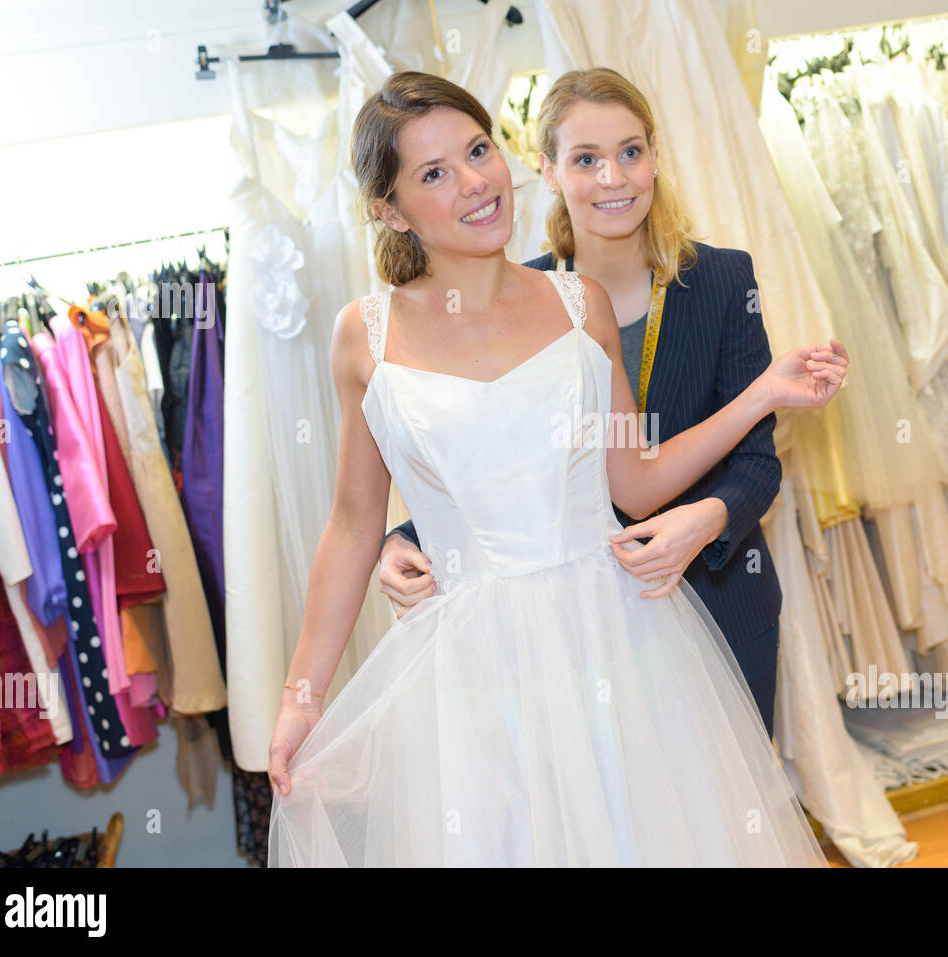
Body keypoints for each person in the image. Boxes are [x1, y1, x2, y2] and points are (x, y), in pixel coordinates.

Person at [267, 71, 847, 866]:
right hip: (475, 674)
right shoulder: (362, 337)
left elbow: (634, 483)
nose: (474, 182)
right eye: (434, 173)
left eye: (477, 151)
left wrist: (761, 396)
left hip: (619, 641)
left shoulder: (579, 305)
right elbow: (353, 523)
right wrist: (301, 696)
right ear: (390, 209)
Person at [378, 67, 829, 737]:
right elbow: (488, 471)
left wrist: (703, 520)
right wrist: (399, 542)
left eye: (630, 152)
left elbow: (758, 462)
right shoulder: (514, 299)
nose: (614, 178)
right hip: (578, 639)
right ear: (550, 171)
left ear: (653, 156)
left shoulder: (724, 280)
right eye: (586, 159)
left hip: (721, 595)